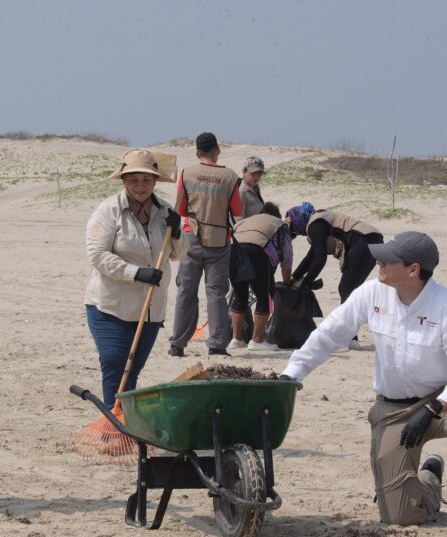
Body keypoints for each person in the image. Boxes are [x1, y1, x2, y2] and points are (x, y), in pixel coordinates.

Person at [280, 231, 447, 537]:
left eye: (388, 259)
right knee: (399, 516)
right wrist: (292, 374)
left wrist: (433, 409)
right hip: (393, 408)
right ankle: (430, 480)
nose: (379, 262)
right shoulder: (371, 293)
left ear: (413, 270)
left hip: (443, 402)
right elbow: (328, 334)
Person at [85, 149, 186, 407]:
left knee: (131, 372)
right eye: (133, 180)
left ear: (154, 181)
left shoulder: (165, 211)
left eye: (146, 180)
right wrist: (136, 273)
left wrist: (176, 232)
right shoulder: (108, 211)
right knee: (115, 363)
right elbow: (97, 255)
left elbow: (179, 253)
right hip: (110, 306)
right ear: (123, 181)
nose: (140, 186)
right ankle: (114, 422)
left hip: (150, 308)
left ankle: (126, 422)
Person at [168, 133, 243, 357]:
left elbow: (180, 209)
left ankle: (178, 344)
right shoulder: (230, 177)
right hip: (220, 241)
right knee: (216, 294)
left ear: (198, 152)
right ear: (217, 150)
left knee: (186, 292)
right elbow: (238, 212)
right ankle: (217, 344)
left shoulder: (187, 173)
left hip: (191, 238)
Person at [286, 202, 383, 348]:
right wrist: (294, 277)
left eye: (293, 228)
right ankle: (354, 335)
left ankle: (351, 337)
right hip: (374, 240)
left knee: (346, 289)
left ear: (299, 219)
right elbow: (311, 257)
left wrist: (305, 285)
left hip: (362, 241)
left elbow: (320, 258)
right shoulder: (319, 220)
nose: (296, 232)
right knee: (352, 290)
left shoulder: (315, 224)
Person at [227, 203, 293, 351]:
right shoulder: (280, 225)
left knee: (240, 295)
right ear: (277, 215)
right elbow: (287, 257)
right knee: (265, 297)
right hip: (257, 254)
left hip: (233, 252)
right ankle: (257, 340)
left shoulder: (245, 221)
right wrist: (287, 281)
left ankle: (236, 339)